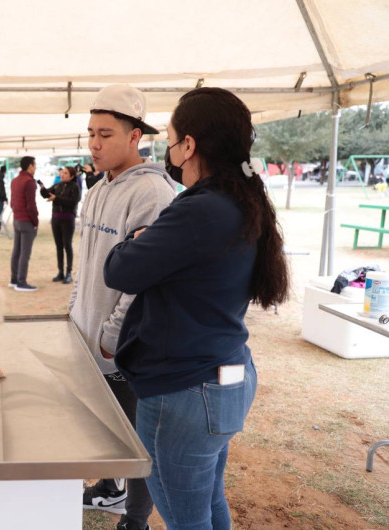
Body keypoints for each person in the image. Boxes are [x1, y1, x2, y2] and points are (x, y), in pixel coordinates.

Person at [103, 87, 290, 529]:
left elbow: (120, 270)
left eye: (170, 141)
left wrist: (135, 239)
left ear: (188, 145)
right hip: (225, 376)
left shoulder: (200, 209)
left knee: (186, 518)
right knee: (207, 502)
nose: (168, 153)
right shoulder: (240, 201)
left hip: (185, 391)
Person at [68, 84, 176, 530]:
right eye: (91, 133)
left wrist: (111, 335)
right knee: (104, 427)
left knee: (135, 437)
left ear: (135, 136)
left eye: (106, 134)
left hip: (124, 348)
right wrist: (75, 314)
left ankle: (135, 520)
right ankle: (110, 488)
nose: (94, 144)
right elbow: (86, 264)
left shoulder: (152, 193)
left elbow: (143, 281)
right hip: (88, 336)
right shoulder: (98, 188)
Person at [39, 165, 79, 284]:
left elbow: (73, 201)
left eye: (66, 173)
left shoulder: (75, 187)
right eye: (62, 173)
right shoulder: (57, 185)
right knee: (59, 246)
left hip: (68, 219)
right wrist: (42, 188)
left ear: (72, 176)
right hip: (56, 219)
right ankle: (60, 272)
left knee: (67, 245)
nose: (62, 174)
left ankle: (68, 273)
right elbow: (47, 194)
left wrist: (56, 198)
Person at [9, 156, 39, 292]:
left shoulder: (15, 180)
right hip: (26, 220)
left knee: (17, 251)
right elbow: (31, 205)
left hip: (17, 219)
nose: (35, 168)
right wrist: (35, 221)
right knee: (24, 253)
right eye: (35, 165)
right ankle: (21, 282)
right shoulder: (29, 182)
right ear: (30, 166)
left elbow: (12, 202)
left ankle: (14, 279)